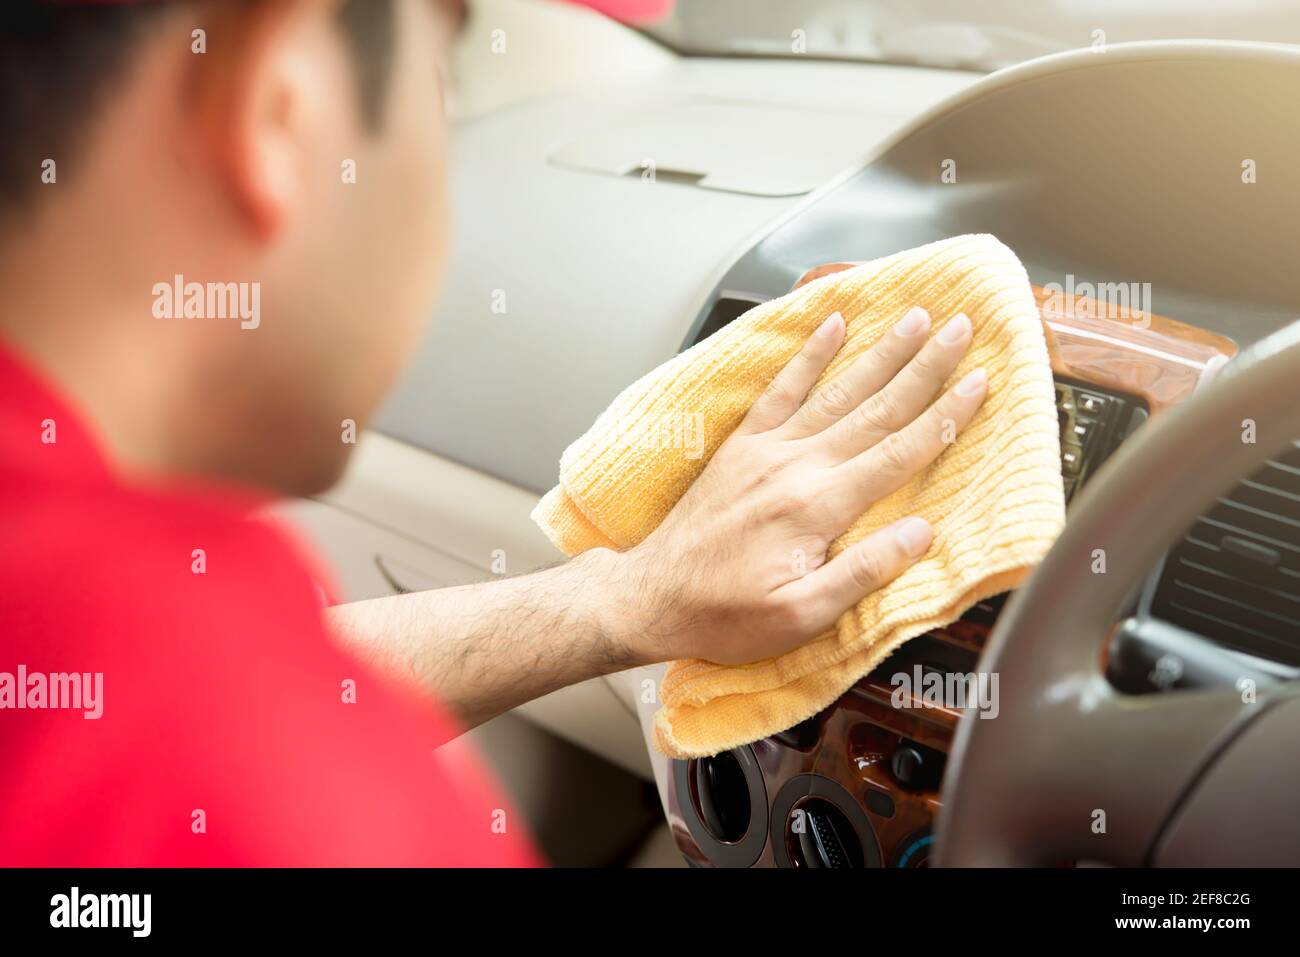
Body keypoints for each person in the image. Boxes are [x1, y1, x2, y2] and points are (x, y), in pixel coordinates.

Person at [0, 0, 986, 865]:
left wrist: (621, 601)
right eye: (442, 81)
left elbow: (205, 703)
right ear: (276, 107)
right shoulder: (300, 815)